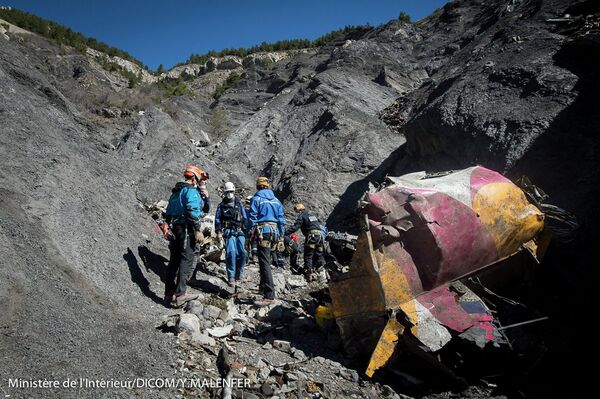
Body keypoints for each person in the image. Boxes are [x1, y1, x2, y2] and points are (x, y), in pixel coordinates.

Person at [163, 165, 208, 308]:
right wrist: (197, 230)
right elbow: (191, 210)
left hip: (175, 228)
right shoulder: (191, 191)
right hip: (186, 228)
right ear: (194, 178)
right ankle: (181, 294)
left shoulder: (176, 192)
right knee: (186, 260)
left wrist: (166, 227)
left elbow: (168, 213)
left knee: (174, 261)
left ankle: (168, 294)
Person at [247, 176, 285, 306]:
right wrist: (281, 236)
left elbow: (252, 217)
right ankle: (263, 288)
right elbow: (281, 220)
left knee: (264, 263)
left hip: (263, 231)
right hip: (274, 232)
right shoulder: (276, 201)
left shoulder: (256, 199)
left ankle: (269, 295)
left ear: (258, 186)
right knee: (266, 260)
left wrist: (249, 233)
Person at [215, 182, 248, 288]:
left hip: (240, 231)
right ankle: (231, 276)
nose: (229, 194)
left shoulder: (239, 204)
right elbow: (218, 219)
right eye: (227, 192)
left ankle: (239, 272)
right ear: (225, 192)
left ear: (234, 192)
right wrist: (219, 231)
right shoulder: (221, 206)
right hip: (228, 232)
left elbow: (244, 217)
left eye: (231, 192)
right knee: (231, 253)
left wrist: (247, 229)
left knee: (242, 253)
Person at [285, 202, 325, 281]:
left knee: (308, 255)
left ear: (299, 210)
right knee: (318, 254)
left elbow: (296, 227)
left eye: (297, 211)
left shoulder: (302, 216)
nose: (297, 213)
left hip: (312, 236)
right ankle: (321, 273)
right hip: (320, 237)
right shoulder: (312, 215)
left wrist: (285, 233)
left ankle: (308, 274)